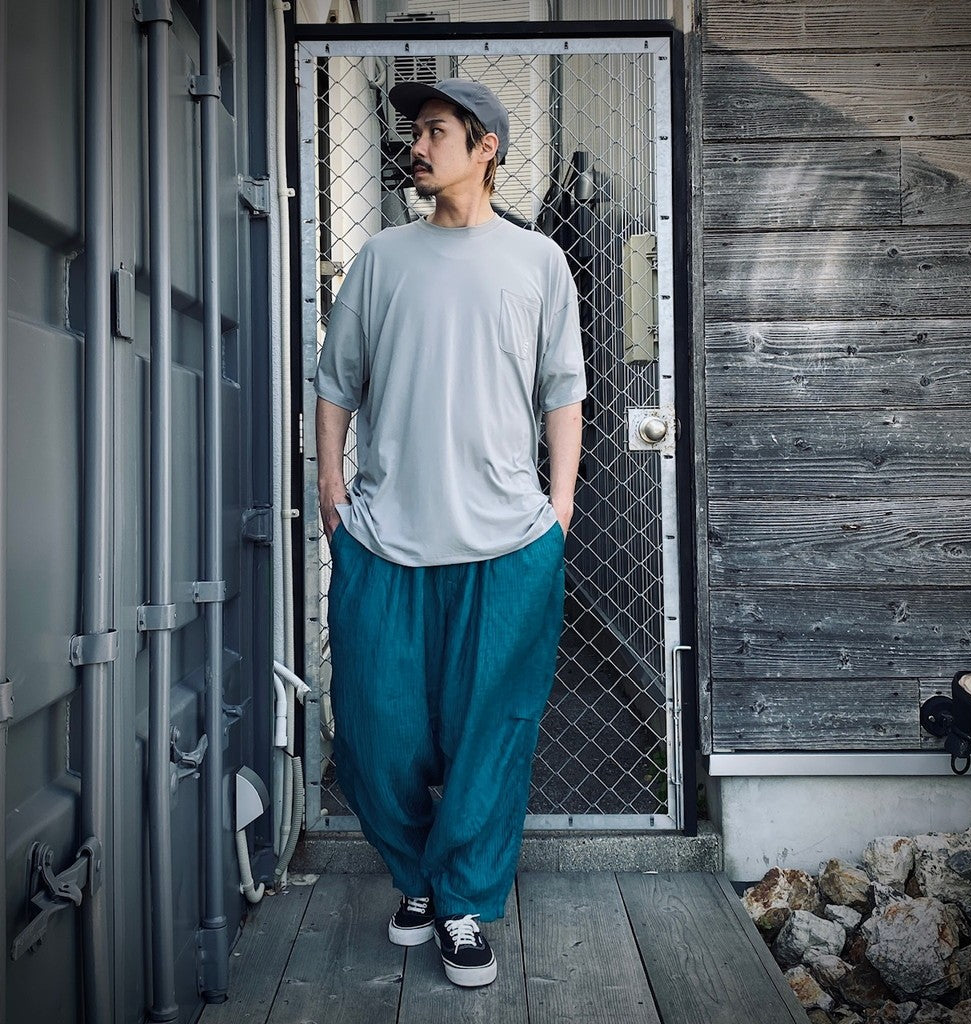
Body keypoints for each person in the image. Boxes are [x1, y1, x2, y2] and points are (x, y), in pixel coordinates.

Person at [314, 78, 586, 988]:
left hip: (508, 547)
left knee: (489, 735)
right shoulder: (383, 258)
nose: (417, 147)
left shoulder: (539, 261)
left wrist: (559, 510)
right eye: (415, 132)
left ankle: (460, 902)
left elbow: (563, 392)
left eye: (435, 132)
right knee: (374, 732)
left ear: (486, 147)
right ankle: (420, 876)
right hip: (384, 540)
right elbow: (336, 382)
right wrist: (330, 491)